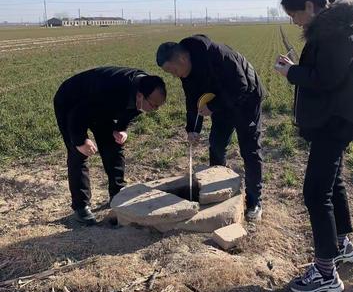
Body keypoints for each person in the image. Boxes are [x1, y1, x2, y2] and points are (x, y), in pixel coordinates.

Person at [275, 0, 353, 292]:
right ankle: (342, 245)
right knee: (333, 183)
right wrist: (297, 68)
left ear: (309, 7)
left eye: (294, 15)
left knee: (316, 193)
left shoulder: (335, 33)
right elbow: (325, 74)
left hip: (335, 121)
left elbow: (324, 79)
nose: (294, 21)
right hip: (334, 119)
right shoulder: (332, 28)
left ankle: (326, 274)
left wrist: (291, 72)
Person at [156, 34, 265, 221]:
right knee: (216, 144)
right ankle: (217, 191)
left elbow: (241, 86)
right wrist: (192, 129)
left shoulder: (218, 54)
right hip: (222, 103)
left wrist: (212, 107)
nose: (174, 75)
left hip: (247, 101)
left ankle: (254, 201)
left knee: (249, 151)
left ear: (182, 58)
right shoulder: (186, 72)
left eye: (172, 70)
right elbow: (192, 100)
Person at [53, 66, 166, 225]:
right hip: (71, 102)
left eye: (159, 106)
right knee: (78, 153)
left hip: (100, 106)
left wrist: (121, 129)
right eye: (154, 106)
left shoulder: (144, 87)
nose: (156, 109)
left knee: (113, 145)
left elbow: (132, 110)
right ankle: (81, 206)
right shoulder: (112, 89)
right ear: (140, 96)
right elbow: (77, 114)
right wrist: (80, 141)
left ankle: (117, 192)